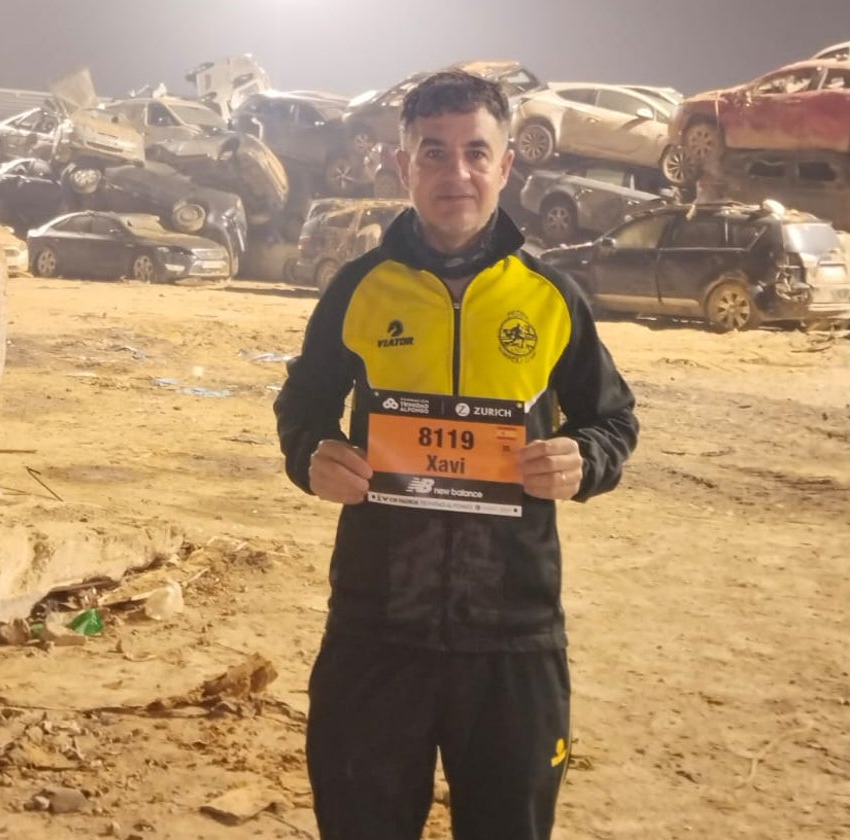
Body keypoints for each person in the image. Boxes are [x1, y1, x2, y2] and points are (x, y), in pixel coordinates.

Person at [273, 70, 639, 840]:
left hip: (513, 636)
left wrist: (583, 458)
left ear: (507, 166)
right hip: (377, 630)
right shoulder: (357, 289)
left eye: (477, 152)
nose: (457, 174)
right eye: (433, 153)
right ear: (403, 165)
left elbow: (613, 420)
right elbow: (302, 405)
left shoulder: (550, 297)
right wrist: (314, 454)